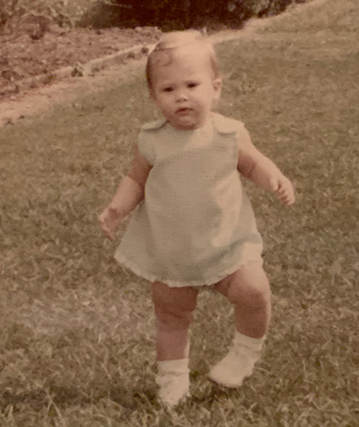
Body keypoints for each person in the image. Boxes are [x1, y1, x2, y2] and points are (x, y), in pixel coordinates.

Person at [98, 30, 295, 408]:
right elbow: (135, 178)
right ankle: (172, 379)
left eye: (192, 84)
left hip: (226, 243)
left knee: (253, 291)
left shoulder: (227, 134)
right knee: (172, 316)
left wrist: (274, 178)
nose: (182, 96)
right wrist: (117, 208)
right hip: (172, 251)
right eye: (168, 89)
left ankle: (243, 354)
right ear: (155, 97)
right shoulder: (152, 140)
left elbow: (253, 163)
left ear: (215, 88)